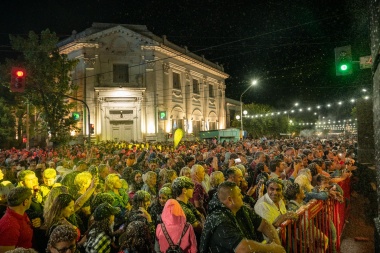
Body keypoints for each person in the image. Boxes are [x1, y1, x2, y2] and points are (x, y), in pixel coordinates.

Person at [200, 181, 285, 253]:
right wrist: (272, 248)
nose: (242, 196)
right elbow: (243, 248)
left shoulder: (241, 209)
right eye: (239, 194)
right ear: (230, 200)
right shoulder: (219, 219)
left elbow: (264, 224)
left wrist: (276, 244)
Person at [0, 187, 33, 253]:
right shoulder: (10, 225)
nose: (31, 201)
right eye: (31, 199)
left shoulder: (20, 214)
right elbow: (6, 251)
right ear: (25, 202)